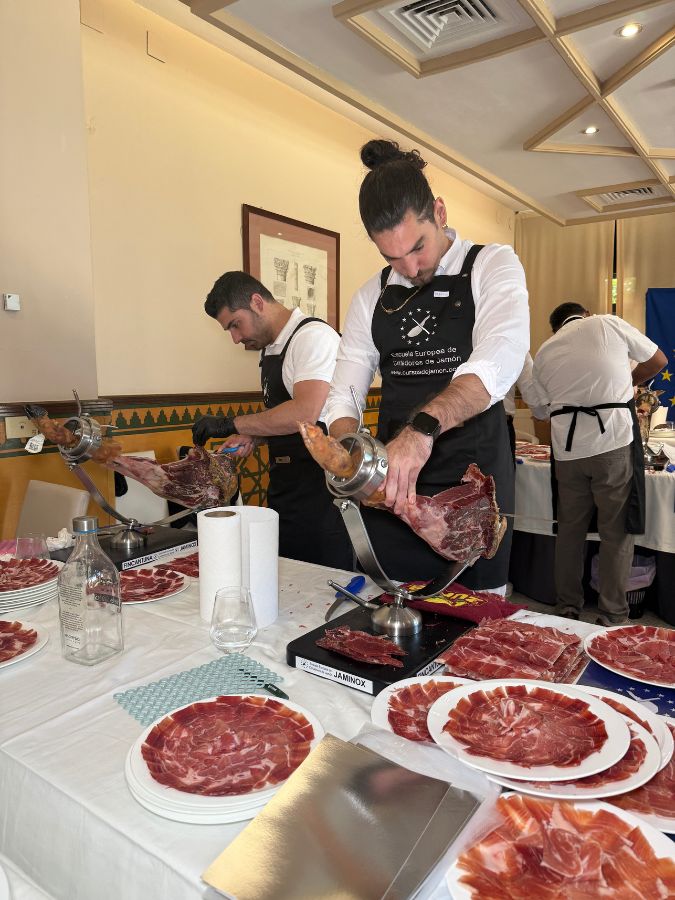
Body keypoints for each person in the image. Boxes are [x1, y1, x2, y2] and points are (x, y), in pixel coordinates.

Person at [324, 139, 529, 592]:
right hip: (395, 490)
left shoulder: (492, 265)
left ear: (439, 211)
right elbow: (345, 393)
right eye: (391, 257)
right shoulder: (370, 296)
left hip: (473, 490)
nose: (411, 267)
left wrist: (421, 431)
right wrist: (349, 454)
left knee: (473, 632)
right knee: (389, 616)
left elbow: (500, 358)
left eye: (418, 247)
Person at [193, 271, 353, 570]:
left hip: (323, 496)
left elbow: (306, 413)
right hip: (287, 491)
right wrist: (255, 436)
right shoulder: (271, 349)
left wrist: (232, 424)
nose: (236, 338)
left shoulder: (312, 338)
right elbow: (288, 422)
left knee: (325, 589)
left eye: (235, 325)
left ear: (256, 302)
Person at [532, 301, 666, 625]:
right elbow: (659, 360)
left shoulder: (545, 352)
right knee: (615, 532)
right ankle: (613, 613)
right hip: (613, 443)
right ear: (585, 315)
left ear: (556, 327)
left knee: (569, 532)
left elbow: (539, 412)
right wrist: (627, 383)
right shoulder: (607, 324)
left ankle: (566, 606)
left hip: (567, 449)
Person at [503, 352, 549, 462]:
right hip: (499, 427)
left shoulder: (457, 342)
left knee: (460, 476)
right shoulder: (515, 344)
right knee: (499, 477)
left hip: (459, 426)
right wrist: (543, 414)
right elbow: (531, 388)